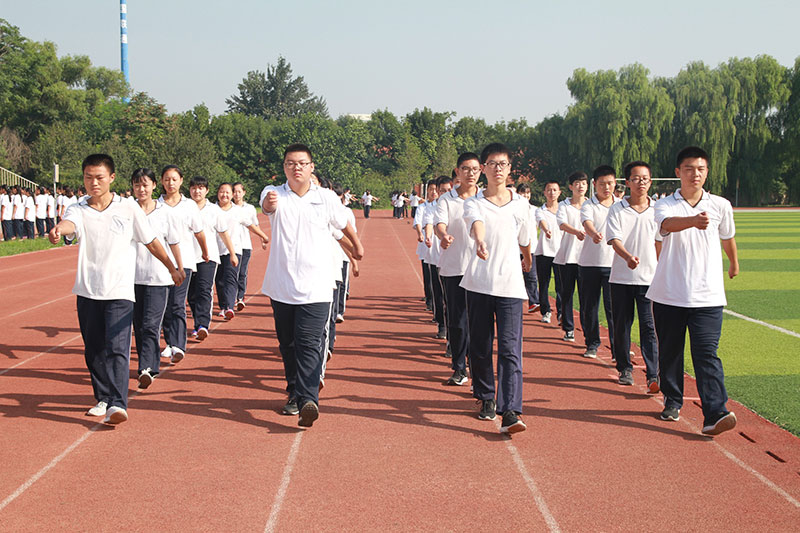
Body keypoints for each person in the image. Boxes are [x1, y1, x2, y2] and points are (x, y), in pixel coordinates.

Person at [48, 154, 185, 425]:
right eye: (88, 177)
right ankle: (102, 397)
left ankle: (118, 404)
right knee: (94, 349)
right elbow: (70, 226)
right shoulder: (78, 208)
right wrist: (58, 230)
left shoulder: (127, 208)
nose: (93, 183)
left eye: (99, 177)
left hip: (120, 291)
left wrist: (172, 267)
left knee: (118, 347)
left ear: (111, 178)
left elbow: (151, 241)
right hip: (87, 291)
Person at [261, 143, 364, 428]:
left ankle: (308, 399)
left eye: (302, 163)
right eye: (291, 163)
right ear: (284, 167)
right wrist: (268, 204)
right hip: (282, 284)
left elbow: (344, 224)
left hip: (318, 285)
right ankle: (294, 391)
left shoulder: (327, 198)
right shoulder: (274, 194)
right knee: (288, 344)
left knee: (308, 343)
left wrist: (357, 247)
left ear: (311, 167)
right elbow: (266, 205)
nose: (297, 168)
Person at [647, 146, 739, 436]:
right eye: (689, 168)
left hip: (708, 295)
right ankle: (672, 400)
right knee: (671, 352)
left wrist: (734, 262)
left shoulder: (721, 205)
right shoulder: (664, 205)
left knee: (707, 353)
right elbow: (666, 226)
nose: (695, 173)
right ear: (678, 173)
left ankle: (715, 412)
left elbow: (728, 236)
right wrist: (693, 221)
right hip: (669, 293)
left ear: (707, 171)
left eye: (700, 168)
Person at [461, 143, 532, 434]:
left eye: (503, 164)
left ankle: (511, 410)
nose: (498, 169)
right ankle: (486, 396)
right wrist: (480, 241)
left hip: (511, 287)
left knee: (510, 349)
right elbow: (476, 223)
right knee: (479, 346)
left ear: (509, 169)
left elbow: (526, 239)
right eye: (492, 164)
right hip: (479, 283)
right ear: (484, 169)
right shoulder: (474, 202)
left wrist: (527, 260)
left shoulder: (522, 205)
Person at [606, 161, 660, 391]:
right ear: (627, 182)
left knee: (649, 327)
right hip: (621, 278)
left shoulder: (658, 209)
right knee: (622, 325)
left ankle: (653, 374)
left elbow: (662, 242)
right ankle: (625, 368)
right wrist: (627, 257)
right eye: (636, 179)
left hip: (649, 279)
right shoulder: (617, 209)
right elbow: (613, 239)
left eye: (645, 179)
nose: (641, 183)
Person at [130, 168, 184, 389]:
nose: (141, 189)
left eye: (145, 185)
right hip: (131, 277)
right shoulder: (127, 210)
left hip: (158, 278)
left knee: (151, 324)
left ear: (154, 185)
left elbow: (173, 243)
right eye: (137, 185)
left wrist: (178, 268)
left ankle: (147, 367)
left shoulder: (165, 213)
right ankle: (148, 364)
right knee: (138, 325)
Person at [435, 152, 480, 386]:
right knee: (457, 319)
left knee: (478, 320)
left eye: (474, 169)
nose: (470, 173)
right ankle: (459, 367)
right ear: (457, 172)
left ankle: (477, 364)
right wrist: (443, 236)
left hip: (480, 270)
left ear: (480, 171)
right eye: (465, 169)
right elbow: (439, 224)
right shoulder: (447, 199)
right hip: (453, 268)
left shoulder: (485, 199)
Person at [158, 165, 209, 364]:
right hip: (162, 262)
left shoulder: (189, 206)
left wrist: (205, 252)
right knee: (164, 305)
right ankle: (170, 342)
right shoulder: (156, 205)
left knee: (178, 303)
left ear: (181, 181)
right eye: (167, 179)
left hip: (184, 261)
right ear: (161, 182)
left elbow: (199, 232)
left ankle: (178, 344)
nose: (170, 183)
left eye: (174, 179)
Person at [578, 165, 620, 358]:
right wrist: (593, 234)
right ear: (595, 184)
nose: (606, 187)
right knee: (590, 306)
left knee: (614, 310)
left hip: (614, 265)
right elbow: (587, 223)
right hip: (590, 264)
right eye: (602, 184)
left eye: (610, 183)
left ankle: (617, 346)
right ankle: (592, 343)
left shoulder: (621, 205)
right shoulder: (588, 205)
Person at [186, 176, 234, 341]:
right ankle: (197, 321)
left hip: (208, 257)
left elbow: (223, 232)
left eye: (200, 188)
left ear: (206, 190)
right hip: (187, 257)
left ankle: (202, 325)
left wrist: (232, 253)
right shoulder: (184, 207)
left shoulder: (214, 210)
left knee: (204, 290)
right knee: (191, 294)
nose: (197, 191)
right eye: (194, 188)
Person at [555, 172, 588, 342]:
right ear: (571, 187)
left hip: (587, 258)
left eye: (583, 183)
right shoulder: (564, 205)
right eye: (577, 183)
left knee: (586, 296)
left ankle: (587, 329)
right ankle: (568, 327)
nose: (580, 186)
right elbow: (561, 224)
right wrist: (576, 232)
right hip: (567, 256)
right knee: (567, 293)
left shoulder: (591, 205)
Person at [232, 181, 269, 311]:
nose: (236, 194)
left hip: (245, 245)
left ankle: (240, 297)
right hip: (231, 246)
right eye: (234, 191)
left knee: (242, 272)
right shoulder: (226, 207)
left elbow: (255, 225)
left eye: (239, 191)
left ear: (244, 193)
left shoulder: (250, 208)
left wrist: (262, 239)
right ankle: (231, 299)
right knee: (231, 274)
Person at [423, 176, 452, 340]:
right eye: (442, 191)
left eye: (448, 190)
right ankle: (442, 326)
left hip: (453, 259)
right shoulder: (431, 208)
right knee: (439, 295)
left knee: (451, 300)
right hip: (435, 257)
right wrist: (428, 236)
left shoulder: (456, 204)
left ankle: (452, 334)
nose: (444, 193)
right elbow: (428, 224)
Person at [534, 180, 563, 324]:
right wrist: (546, 230)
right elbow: (541, 222)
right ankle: (546, 311)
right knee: (544, 283)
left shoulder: (563, 209)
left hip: (560, 252)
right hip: (544, 252)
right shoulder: (540, 210)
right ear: (545, 193)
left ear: (559, 193)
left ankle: (561, 312)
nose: (552, 193)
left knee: (561, 285)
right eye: (549, 190)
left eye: (554, 190)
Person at [515, 183, 540, 313]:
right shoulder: (513, 209)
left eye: (527, 193)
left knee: (531, 276)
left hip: (531, 249)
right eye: (523, 192)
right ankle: (516, 301)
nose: (525, 195)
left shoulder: (535, 210)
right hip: (514, 249)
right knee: (516, 276)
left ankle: (533, 301)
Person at [414, 181, 437, 312]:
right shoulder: (422, 207)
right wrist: (420, 234)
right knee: (427, 273)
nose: (434, 192)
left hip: (438, 241)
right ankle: (429, 299)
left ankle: (436, 300)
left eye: (436, 190)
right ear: (427, 191)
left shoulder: (441, 206)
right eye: (431, 190)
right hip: (425, 241)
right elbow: (418, 222)